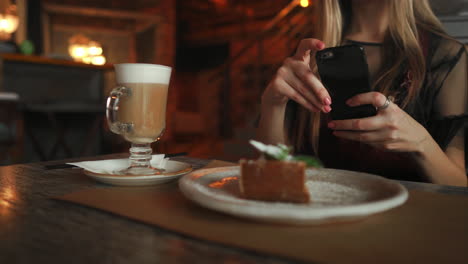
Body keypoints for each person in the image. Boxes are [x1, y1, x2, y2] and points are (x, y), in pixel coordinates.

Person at [256, 0, 467, 186]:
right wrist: (272, 104)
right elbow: (271, 175)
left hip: (403, 226)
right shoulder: (305, 51)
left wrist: (420, 143)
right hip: (316, 220)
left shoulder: (445, 56)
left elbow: (459, 187)